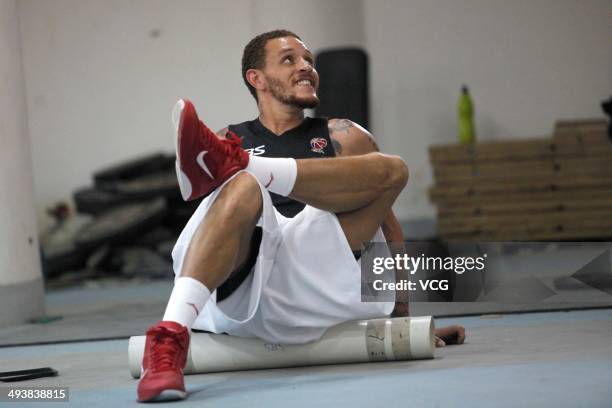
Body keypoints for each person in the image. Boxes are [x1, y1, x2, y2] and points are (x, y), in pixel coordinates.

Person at [137, 29, 465, 403]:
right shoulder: (228, 135)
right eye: (290, 60)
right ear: (256, 78)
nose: (306, 67)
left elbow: (385, 225)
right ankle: (167, 340)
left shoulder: (343, 134)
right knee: (243, 187)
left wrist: (405, 324)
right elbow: (214, 235)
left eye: (309, 60)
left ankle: (248, 166)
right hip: (251, 285)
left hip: (322, 277)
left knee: (393, 169)